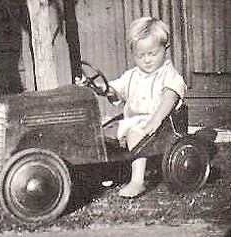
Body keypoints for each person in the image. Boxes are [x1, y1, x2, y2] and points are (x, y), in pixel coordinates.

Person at [77, 16, 187, 198]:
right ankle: (108, 172)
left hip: (158, 125)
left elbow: (170, 97)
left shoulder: (168, 75)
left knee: (136, 135)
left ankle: (137, 181)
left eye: (152, 54)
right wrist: (96, 86)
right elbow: (114, 89)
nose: (147, 60)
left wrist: (155, 119)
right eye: (141, 56)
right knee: (105, 131)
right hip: (133, 121)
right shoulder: (133, 75)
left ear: (165, 50)